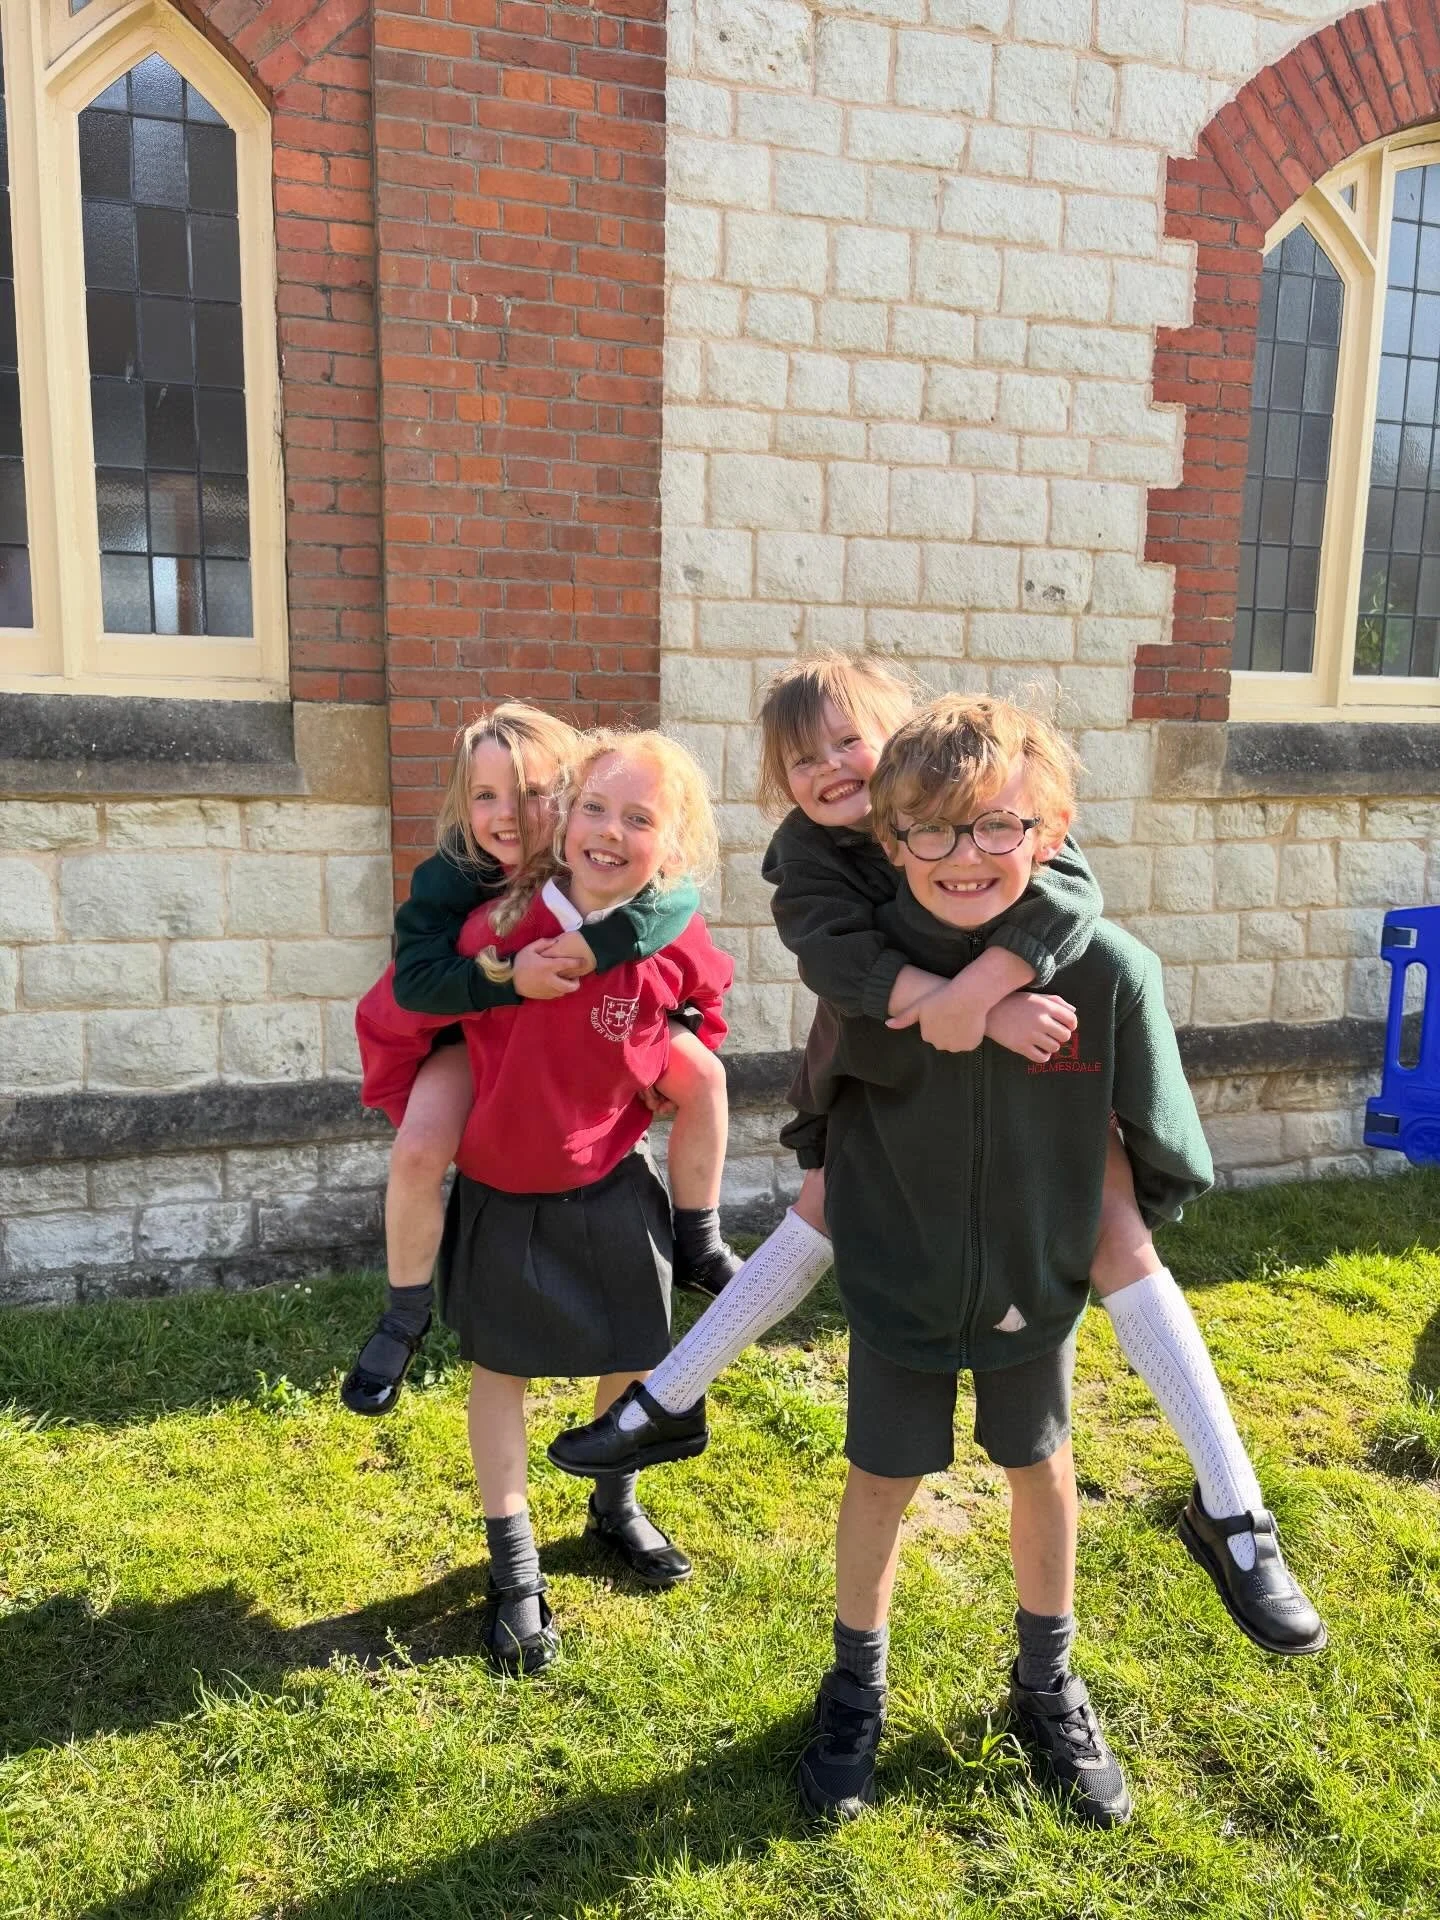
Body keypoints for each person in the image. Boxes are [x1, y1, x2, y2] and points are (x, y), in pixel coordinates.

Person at [549, 657, 1325, 1672]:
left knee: (1115, 1231)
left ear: (905, 742)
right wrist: (969, 1013)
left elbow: (1070, 888)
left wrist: (995, 987)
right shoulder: (812, 860)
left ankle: (1230, 1510)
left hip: (1029, 1169)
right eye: (801, 759)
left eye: (848, 743)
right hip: (889, 1108)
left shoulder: (1016, 837)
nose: (830, 769)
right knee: (824, 1211)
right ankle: (672, 1406)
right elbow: (838, 975)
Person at [343, 704, 740, 1418]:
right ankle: (403, 1314)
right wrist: (504, 977)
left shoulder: (592, 853)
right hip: (463, 1029)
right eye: (484, 796)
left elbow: (673, 901)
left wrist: (628, 973)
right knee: (419, 1150)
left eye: (531, 792)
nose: (507, 815)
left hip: (578, 1039)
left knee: (704, 1076)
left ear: (570, 794)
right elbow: (415, 982)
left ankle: (699, 1240)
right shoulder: (455, 877)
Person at [437, 729, 733, 1673]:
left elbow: (702, 1000)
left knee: (638, 1352)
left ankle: (616, 1503)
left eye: (639, 818)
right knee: (502, 1375)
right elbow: (435, 1008)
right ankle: (514, 1569)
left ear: (672, 843)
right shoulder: (498, 933)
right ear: (561, 821)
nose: (611, 831)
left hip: (610, 1177)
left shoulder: (673, 928)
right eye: (595, 809)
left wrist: (679, 1039)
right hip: (502, 1190)